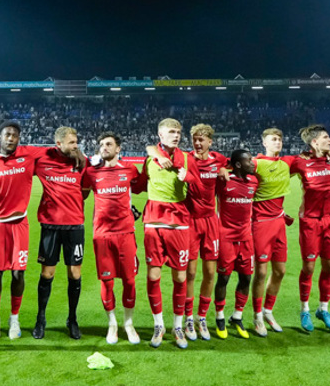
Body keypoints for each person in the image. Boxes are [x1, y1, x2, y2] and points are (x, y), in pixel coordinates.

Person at [0, 122, 48, 340]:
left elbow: (56, 151)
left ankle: (14, 318)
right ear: (0, 137)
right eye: (7, 134)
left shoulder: (28, 154)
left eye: (15, 135)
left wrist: (77, 153)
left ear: (19, 138)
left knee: (18, 272)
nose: (11, 138)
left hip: (19, 223)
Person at [81, 131, 148, 344]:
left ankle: (128, 323)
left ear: (118, 148)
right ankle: (112, 324)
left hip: (125, 233)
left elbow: (141, 187)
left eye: (109, 144)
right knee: (107, 281)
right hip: (102, 234)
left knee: (129, 281)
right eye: (101, 144)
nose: (104, 147)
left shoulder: (129, 169)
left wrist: (150, 162)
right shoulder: (91, 172)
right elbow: (80, 192)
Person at [141, 118, 199, 348]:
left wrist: (189, 178)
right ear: (160, 134)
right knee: (153, 275)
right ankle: (159, 325)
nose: (176, 135)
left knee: (180, 277)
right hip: (154, 222)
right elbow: (138, 185)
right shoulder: (150, 159)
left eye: (178, 132)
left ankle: (177, 326)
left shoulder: (186, 158)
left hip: (179, 223)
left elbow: (199, 187)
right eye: (172, 132)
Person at [31, 126, 89, 340]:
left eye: (76, 142)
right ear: (58, 144)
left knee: (75, 274)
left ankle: (72, 319)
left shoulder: (81, 162)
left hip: (75, 225)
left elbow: (85, 191)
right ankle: (41, 318)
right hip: (50, 225)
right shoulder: (42, 160)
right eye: (71, 142)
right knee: (47, 274)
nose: (76, 146)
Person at [247, 128, 302, 335]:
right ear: (264, 143)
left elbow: (311, 158)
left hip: (279, 223)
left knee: (280, 271)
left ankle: (268, 311)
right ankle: (257, 316)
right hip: (260, 224)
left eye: (280, 139)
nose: (278, 142)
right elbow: (233, 167)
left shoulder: (287, 162)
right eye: (273, 139)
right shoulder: (256, 163)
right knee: (261, 272)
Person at [290, 125, 330, 332]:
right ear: (314, 142)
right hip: (310, 222)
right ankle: (305, 310)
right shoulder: (300, 162)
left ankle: (323, 309)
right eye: (326, 137)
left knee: (329, 266)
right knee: (309, 267)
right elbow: (275, 167)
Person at [182, 124, 226, 341]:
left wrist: (225, 169)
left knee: (210, 272)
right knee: (190, 273)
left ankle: (202, 317)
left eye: (202, 140)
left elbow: (238, 164)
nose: (198, 143)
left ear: (210, 141)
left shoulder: (219, 160)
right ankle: (188, 318)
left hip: (210, 222)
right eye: (195, 139)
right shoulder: (185, 159)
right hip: (190, 221)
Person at [214, 149, 259, 339]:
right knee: (223, 278)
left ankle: (237, 316)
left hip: (246, 238)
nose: (253, 163)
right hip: (225, 237)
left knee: (246, 278)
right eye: (249, 160)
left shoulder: (254, 181)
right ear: (238, 164)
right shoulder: (223, 181)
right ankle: (219, 317)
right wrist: (221, 167)